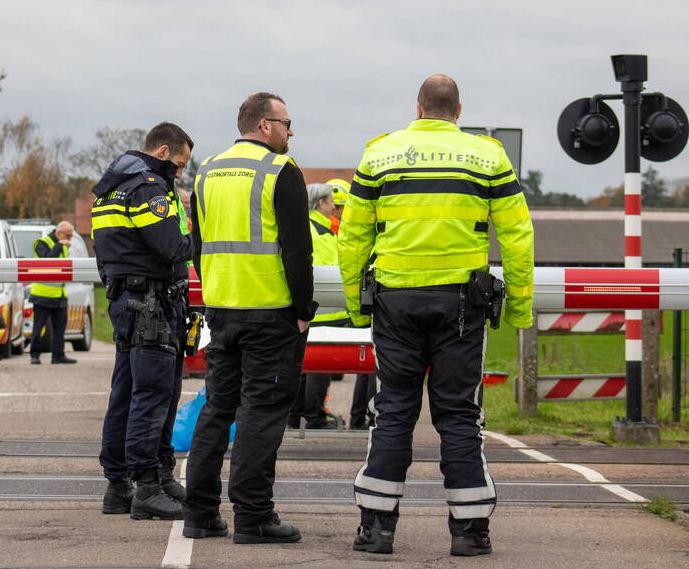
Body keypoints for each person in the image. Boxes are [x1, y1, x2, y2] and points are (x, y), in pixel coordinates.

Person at [338, 74, 534, 557]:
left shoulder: (380, 154)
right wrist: (521, 308)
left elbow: (352, 237)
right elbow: (517, 235)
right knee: (459, 414)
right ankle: (469, 532)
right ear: (459, 111)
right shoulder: (488, 156)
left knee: (394, 411)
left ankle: (377, 529)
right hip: (462, 305)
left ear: (418, 107)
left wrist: (353, 302)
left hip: (396, 300)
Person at [183, 92, 316, 544]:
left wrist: (218, 291)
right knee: (261, 413)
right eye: (286, 122)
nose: (290, 131)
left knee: (218, 408)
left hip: (222, 309)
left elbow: (198, 245)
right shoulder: (282, 171)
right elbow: (299, 250)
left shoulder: (207, 171)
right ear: (264, 125)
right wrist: (303, 311)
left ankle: (199, 513)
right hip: (271, 312)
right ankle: (254, 516)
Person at [92, 122, 195, 521]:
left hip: (127, 299)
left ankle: (119, 486)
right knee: (154, 395)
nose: (181, 173)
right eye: (181, 164)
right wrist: (199, 236)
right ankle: (147, 487)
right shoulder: (148, 187)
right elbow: (171, 247)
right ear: (165, 151)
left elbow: (105, 255)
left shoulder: (110, 186)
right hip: (152, 303)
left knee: (127, 393)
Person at [287, 183, 349, 430]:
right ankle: (313, 415)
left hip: (320, 305)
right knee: (321, 364)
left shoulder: (317, 227)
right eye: (331, 202)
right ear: (321, 204)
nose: (334, 207)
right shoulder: (317, 230)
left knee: (305, 363)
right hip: (325, 307)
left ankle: (296, 414)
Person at [29, 221, 78, 365]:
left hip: (59, 295)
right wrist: (60, 244)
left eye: (71, 236)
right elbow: (47, 261)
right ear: (59, 232)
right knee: (38, 328)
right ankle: (34, 355)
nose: (69, 239)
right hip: (42, 295)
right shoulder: (42, 243)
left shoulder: (63, 245)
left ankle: (58, 356)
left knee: (60, 329)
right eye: (67, 235)